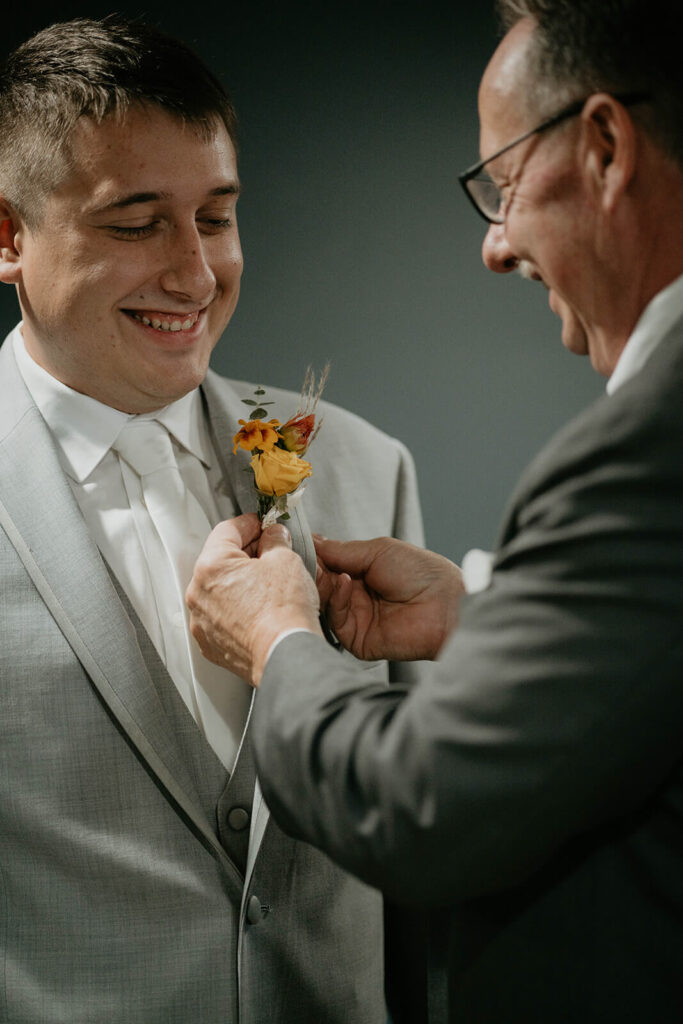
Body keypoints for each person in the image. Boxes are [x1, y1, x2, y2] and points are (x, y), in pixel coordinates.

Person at [185, 0, 683, 1021]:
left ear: (602, 147)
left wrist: (280, 641)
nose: (493, 249)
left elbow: (420, 807)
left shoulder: (645, 443)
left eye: (501, 188)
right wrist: (479, 622)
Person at [0, 17, 426, 1024]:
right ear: (9, 236)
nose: (195, 274)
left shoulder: (368, 469)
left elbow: (410, 861)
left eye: (217, 218)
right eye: (134, 221)